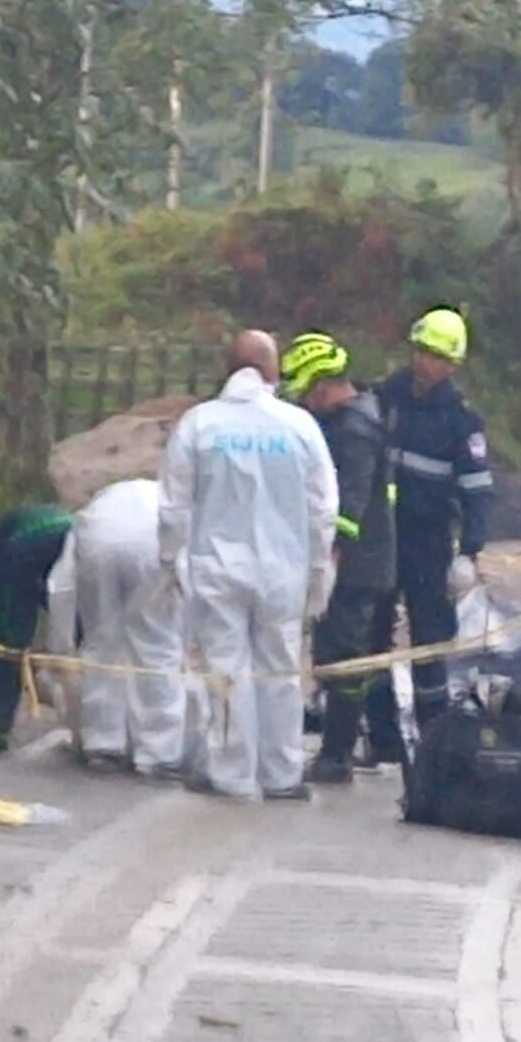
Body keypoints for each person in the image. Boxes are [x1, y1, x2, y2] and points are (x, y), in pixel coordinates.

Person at [158, 330, 338, 801]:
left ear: (228, 368)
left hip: (217, 570)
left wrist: (171, 563)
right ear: (272, 370)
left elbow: (174, 507)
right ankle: (281, 774)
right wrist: (318, 575)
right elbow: (323, 510)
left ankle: (231, 774)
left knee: (225, 671)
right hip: (283, 571)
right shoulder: (299, 427)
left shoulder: (198, 425)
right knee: (280, 670)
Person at [365, 307, 492, 760]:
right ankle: (382, 739)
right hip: (382, 538)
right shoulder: (385, 399)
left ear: (453, 364)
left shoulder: (460, 419)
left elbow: (478, 490)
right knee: (373, 640)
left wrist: (469, 552)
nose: (426, 363)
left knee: (430, 644)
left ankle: (434, 745)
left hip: (428, 542)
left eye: (437, 357)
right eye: (422, 352)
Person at [279, 331, 396, 784]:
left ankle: (336, 754)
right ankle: (338, 744)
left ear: (323, 386)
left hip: (354, 565)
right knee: (335, 654)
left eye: (305, 395)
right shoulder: (356, 418)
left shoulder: (353, 430)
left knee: (345, 656)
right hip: (359, 559)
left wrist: (333, 553)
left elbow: (349, 503)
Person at [43, 480, 186, 776]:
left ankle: (103, 743)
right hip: (153, 544)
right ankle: (158, 753)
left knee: (102, 642)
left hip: (97, 543)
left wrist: (60, 648)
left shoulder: (96, 508)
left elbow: (62, 587)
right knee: (157, 646)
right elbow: (190, 584)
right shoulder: (175, 505)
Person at [0, 504, 74, 762]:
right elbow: (65, 618)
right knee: (6, 650)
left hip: (26, 546)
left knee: (16, 646)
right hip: (10, 551)